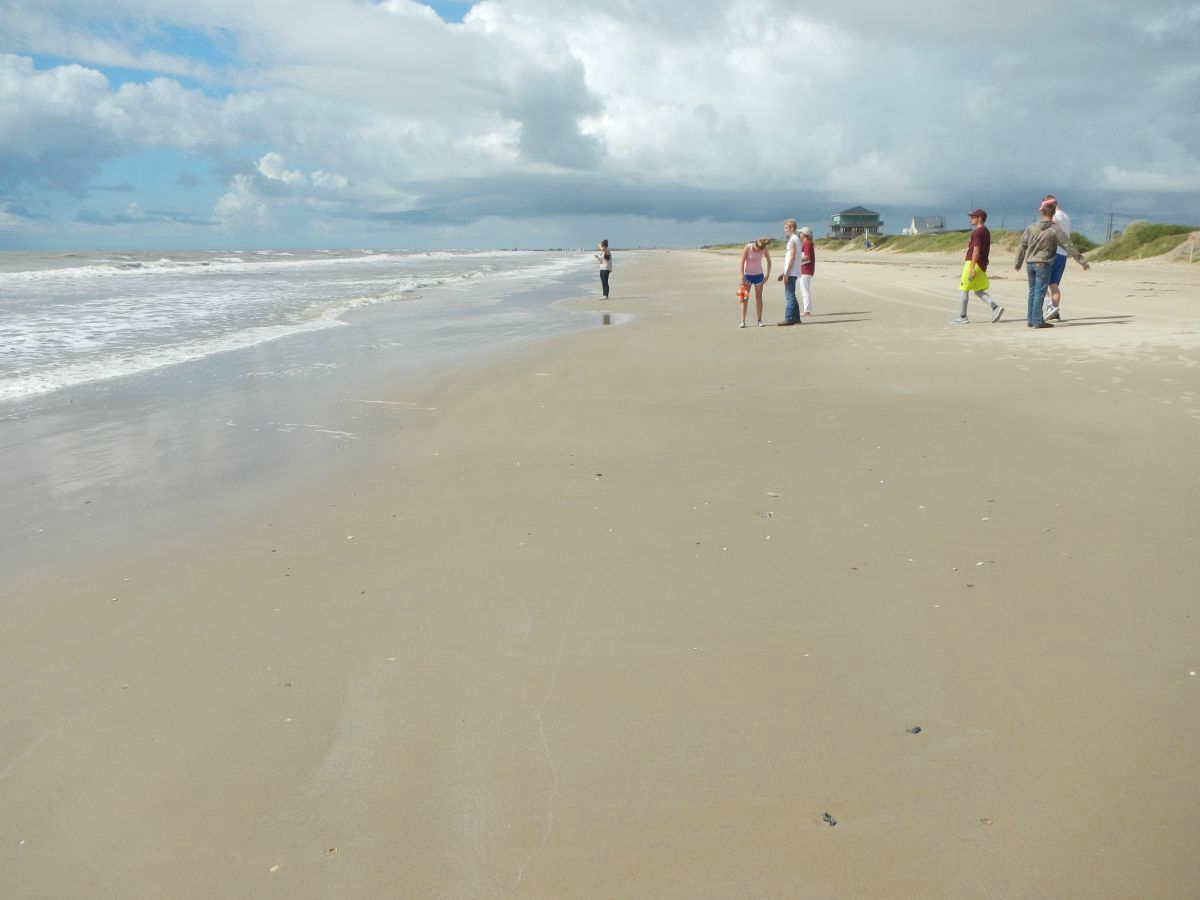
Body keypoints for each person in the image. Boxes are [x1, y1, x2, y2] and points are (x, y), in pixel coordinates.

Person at [1015, 199, 1089, 328]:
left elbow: (1022, 245)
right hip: (1043, 263)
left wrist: (1018, 262)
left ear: (1041, 212)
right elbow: (1068, 245)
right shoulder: (1055, 230)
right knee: (1039, 292)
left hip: (1030, 263)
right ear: (1053, 213)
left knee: (1033, 291)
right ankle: (1037, 320)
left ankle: (1031, 319)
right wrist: (1082, 261)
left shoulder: (1031, 227)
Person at [951, 209, 1004, 324]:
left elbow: (976, 250)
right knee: (979, 290)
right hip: (982, 264)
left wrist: (971, 268)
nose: (971, 219)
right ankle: (995, 307)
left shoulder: (977, 232)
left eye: (973, 217)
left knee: (964, 289)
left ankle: (963, 316)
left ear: (979, 218)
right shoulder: (986, 231)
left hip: (972, 263)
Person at [1041, 194, 1070, 320]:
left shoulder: (1056, 217)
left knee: (1041, 282)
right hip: (1063, 254)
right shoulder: (1066, 216)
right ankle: (1055, 312)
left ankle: (1049, 306)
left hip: (1053, 252)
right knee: (1054, 284)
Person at [738, 237, 772, 327]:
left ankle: (759, 320)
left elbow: (769, 261)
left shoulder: (764, 248)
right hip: (747, 276)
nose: (758, 252)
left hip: (759, 275)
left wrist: (767, 275)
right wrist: (741, 276)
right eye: (757, 250)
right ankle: (742, 321)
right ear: (755, 245)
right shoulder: (748, 247)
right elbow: (741, 262)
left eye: (760, 250)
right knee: (744, 298)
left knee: (759, 298)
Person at [775, 219, 803, 325]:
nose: (784, 230)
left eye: (786, 228)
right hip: (792, 271)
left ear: (791, 228)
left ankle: (789, 317)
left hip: (791, 272)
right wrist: (784, 272)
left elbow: (792, 258)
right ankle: (796, 318)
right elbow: (792, 259)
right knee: (792, 295)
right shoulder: (796, 239)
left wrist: (786, 273)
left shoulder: (793, 240)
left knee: (789, 295)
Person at [798, 226, 816, 316]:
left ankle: (807, 311)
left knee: (805, 291)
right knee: (805, 290)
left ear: (805, 234)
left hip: (806, 270)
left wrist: (796, 260)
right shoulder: (807, 243)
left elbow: (807, 257)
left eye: (800, 233)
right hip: (806, 270)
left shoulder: (807, 243)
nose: (799, 234)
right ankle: (807, 310)